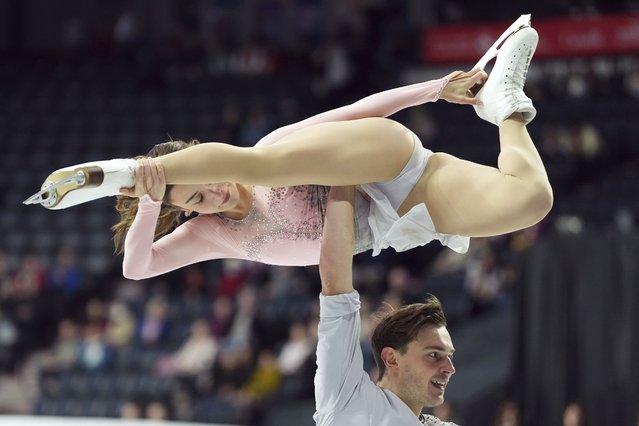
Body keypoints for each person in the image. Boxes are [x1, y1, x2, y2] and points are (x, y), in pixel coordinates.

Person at [27, 19, 552, 280]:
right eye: (196, 200)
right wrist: (147, 202)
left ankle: (129, 169)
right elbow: (138, 267)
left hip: (377, 155)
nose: (211, 193)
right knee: (530, 201)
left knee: (261, 161)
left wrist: (435, 88)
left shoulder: (262, 154)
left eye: (202, 180)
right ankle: (506, 103)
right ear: (185, 212)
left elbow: (352, 113)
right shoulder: (211, 236)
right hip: (403, 206)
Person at [314, 184, 457, 425]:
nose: (450, 368)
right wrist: (343, 173)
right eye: (434, 355)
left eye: (448, 356)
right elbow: (335, 285)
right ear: (391, 358)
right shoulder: (347, 399)